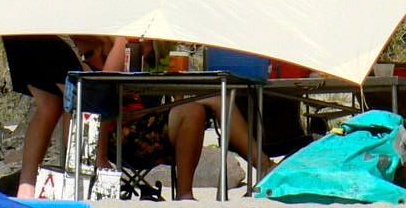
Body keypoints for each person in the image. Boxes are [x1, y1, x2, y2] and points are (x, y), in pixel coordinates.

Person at [76, 35, 266, 199]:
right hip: (119, 135)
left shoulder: (136, 51)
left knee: (199, 108)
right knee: (212, 102)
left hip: (146, 125)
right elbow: (107, 80)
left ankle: (185, 195)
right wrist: (120, 41)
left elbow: (175, 95)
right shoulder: (94, 50)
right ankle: (264, 166)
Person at [2, 34, 81, 200]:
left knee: (50, 105)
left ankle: (26, 189)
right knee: (76, 94)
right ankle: (75, 182)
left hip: (22, 28)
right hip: (34, 26)